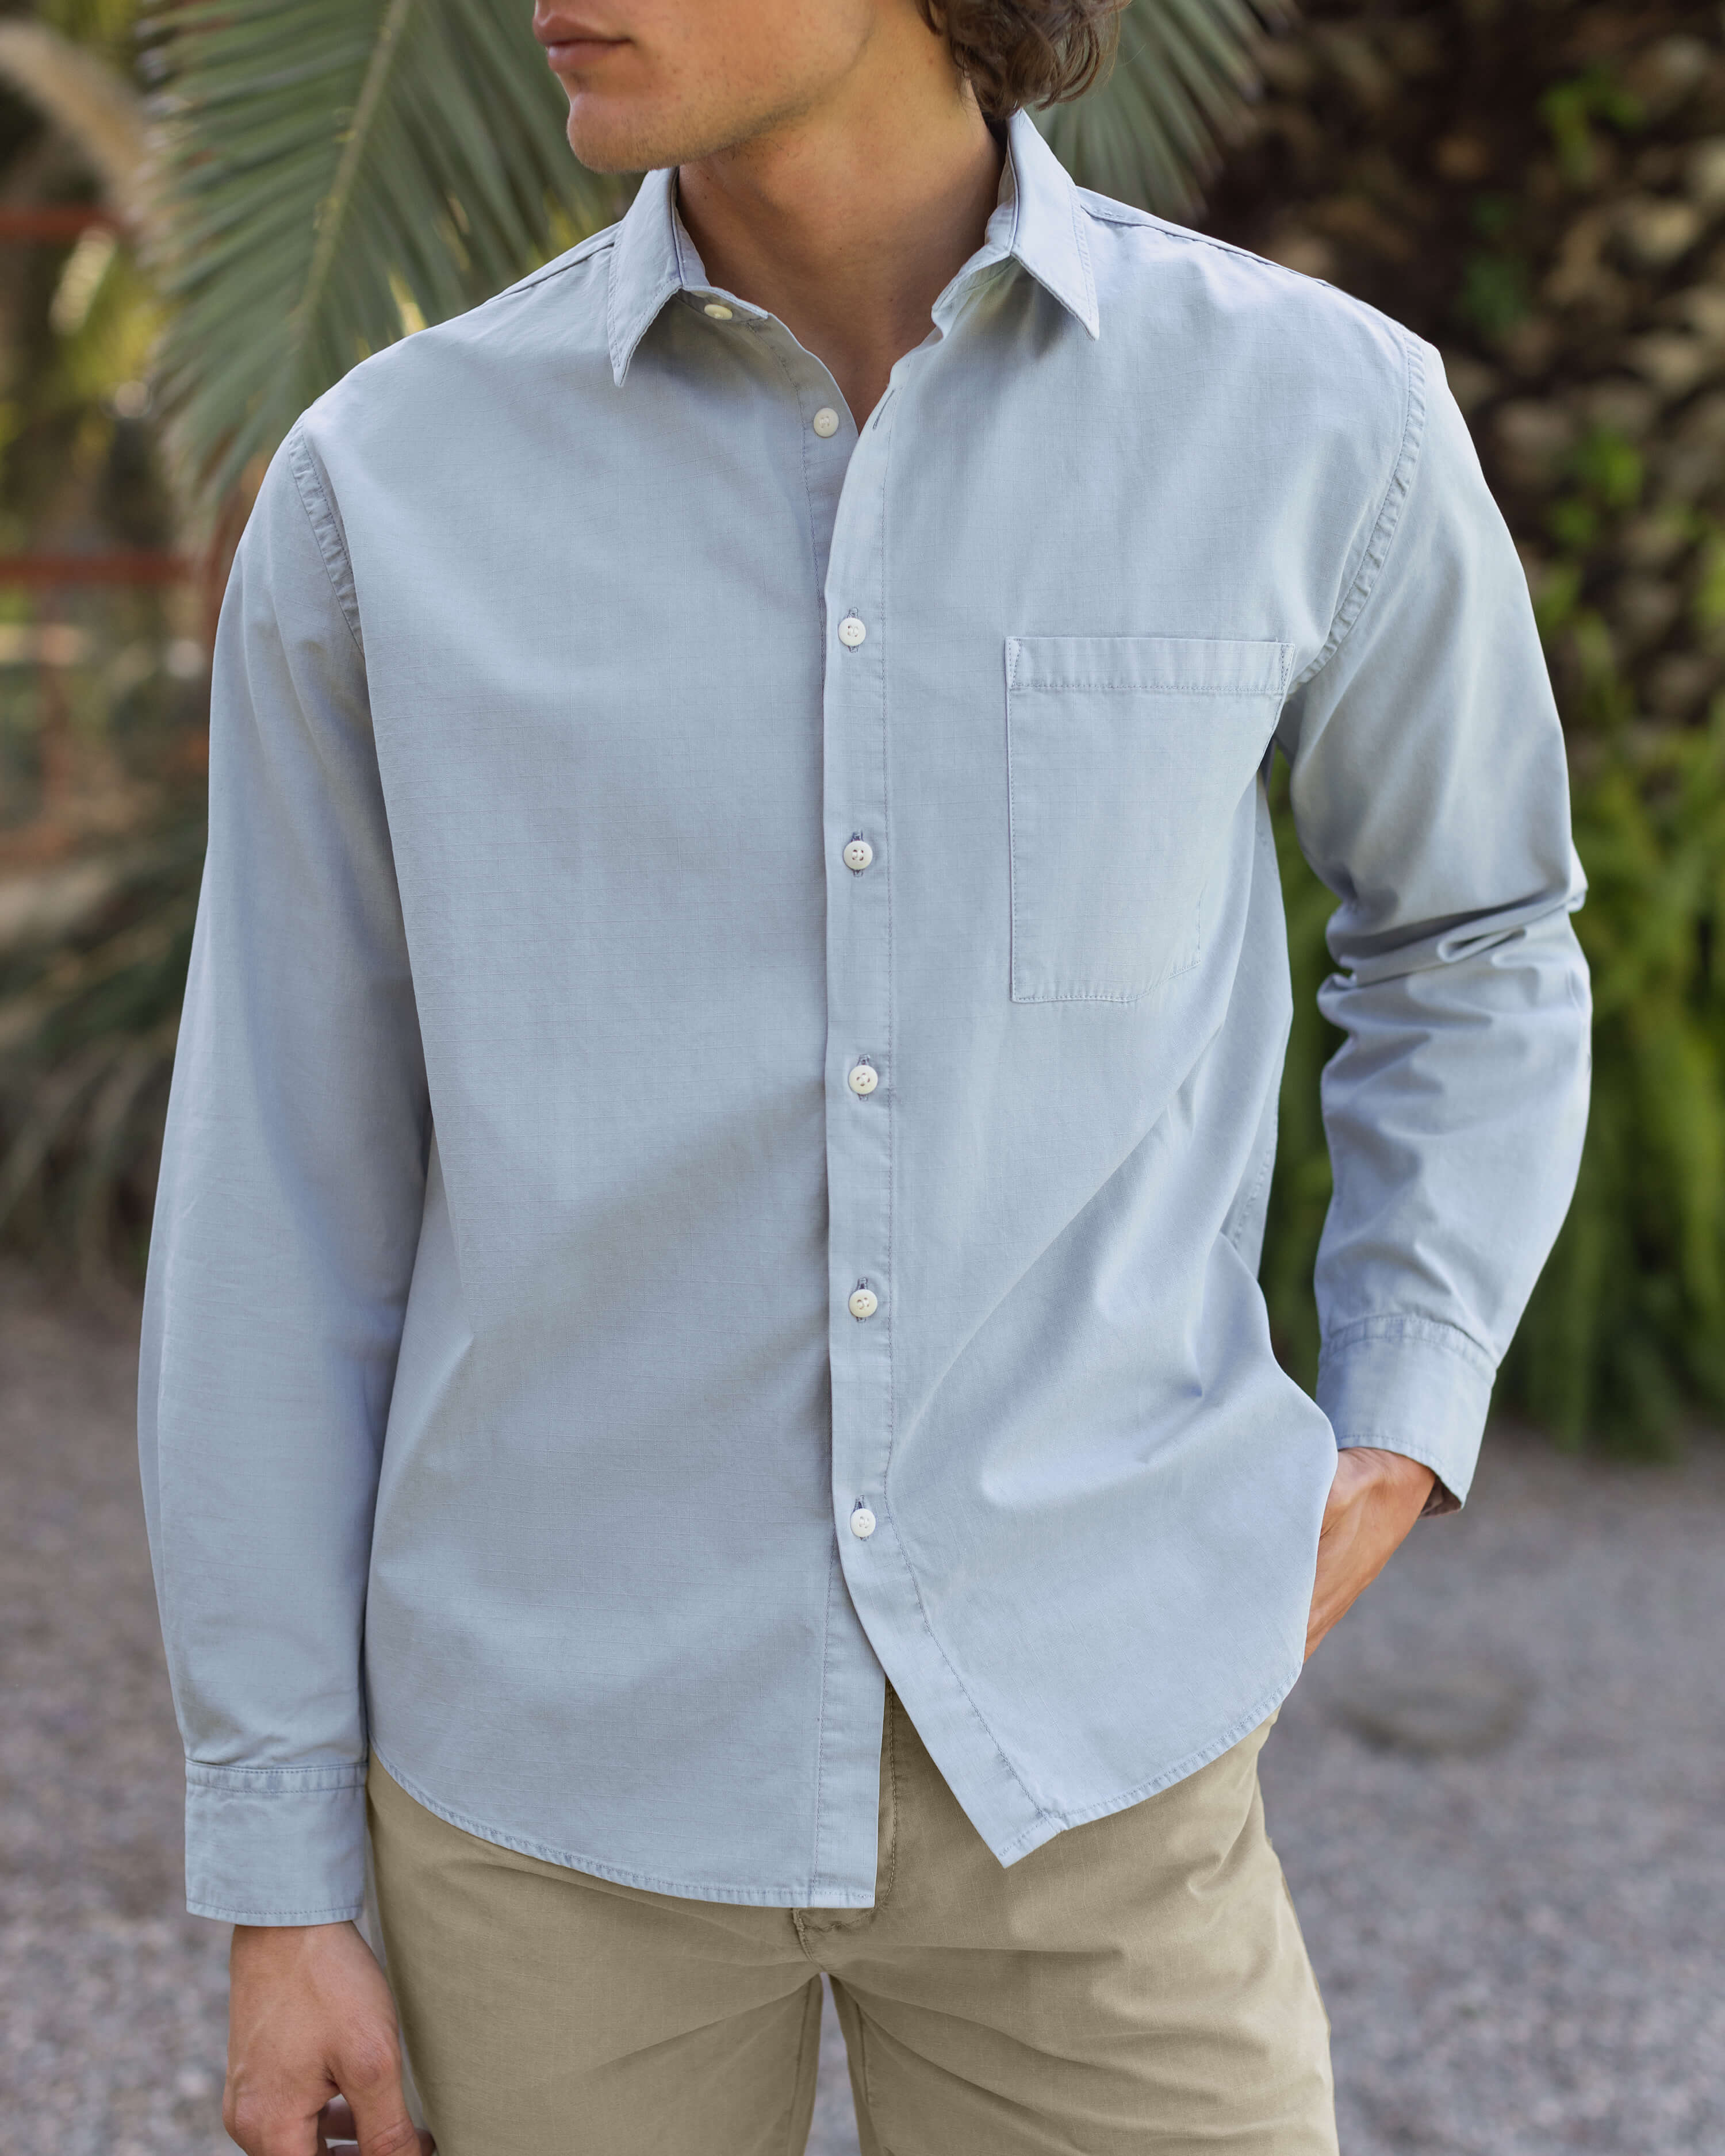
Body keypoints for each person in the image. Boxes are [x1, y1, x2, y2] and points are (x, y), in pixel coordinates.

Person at [139, 2, 1591, 2151]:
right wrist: (281, 1885)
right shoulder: (388, 488)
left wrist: (1403, 1411)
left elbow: (1475, 933)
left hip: (1100, 1773)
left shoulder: (1313, 416)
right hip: (546, 1802)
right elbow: (281, 1185)